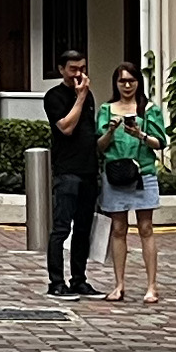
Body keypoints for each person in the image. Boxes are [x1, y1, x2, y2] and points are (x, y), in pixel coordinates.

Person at [95, 61, 166, 306]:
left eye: (131, 81)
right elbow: (100, 146)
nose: (127, 85)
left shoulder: (149, 110)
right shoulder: (106, 109)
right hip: (115, 173)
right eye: (122, 81)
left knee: (146, 227)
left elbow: (161, 143)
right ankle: (119, 284)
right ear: (115, 83)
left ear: (138, 83)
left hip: (142, 172)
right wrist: (111, 131)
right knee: (118, 229)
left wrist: (140, 135)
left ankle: (151, 286)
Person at [43, 49, 103, 297]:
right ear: (61, 70)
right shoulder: (54, 96)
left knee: (83, 229)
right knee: (61, 228)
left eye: (82, 68)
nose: (79, 73)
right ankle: (56, 282)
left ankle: (79, 278)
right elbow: (66, 128)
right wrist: (79, 98)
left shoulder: (89, 97)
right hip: (67, 171)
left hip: (89, 170)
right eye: (73, 69)